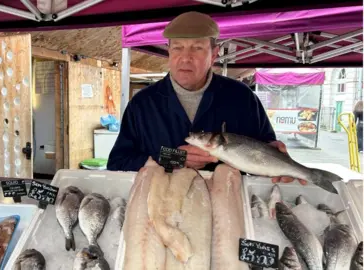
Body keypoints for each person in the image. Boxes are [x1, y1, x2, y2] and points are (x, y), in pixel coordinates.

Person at [107, 11, 306, 185]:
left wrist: (276, 156)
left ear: (214, 53)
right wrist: (174, 159)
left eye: (197, 48)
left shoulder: (241, 98)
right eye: (177, 47)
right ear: (168, 51)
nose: (185, 57)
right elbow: (118, 163)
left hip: (225, 205)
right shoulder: (143, 104)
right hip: (162, 204)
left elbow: (265, 151)